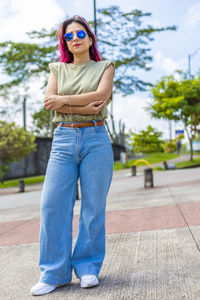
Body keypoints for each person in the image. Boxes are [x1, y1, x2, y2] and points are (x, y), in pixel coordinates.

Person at [30, 15, 115, 296]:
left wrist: (64, 101)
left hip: (96, 139)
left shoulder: (105, 67)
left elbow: (101, 96)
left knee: (93, 207)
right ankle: (54, 273)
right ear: (65, 42)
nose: (75, 39)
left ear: (90, 38)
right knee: (52, 207)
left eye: (80, 34)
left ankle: (88, 268)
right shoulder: (57, 68)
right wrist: (84, 105)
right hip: (63, 140)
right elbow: (48, 101)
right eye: (69, 36)